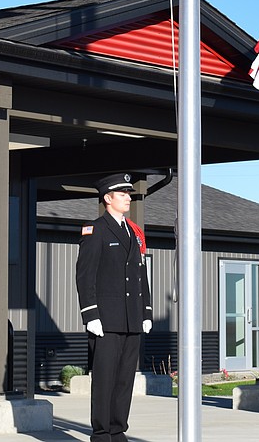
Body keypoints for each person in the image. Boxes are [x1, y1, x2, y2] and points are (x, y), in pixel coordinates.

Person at [75, 173, 153, 442]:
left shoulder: (133, 231)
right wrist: (90, 314)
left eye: (128, 194)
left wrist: (146, 312)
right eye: (123, 194)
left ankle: (118, 431)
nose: (128, 198)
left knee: (124, 381)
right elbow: (85, 276)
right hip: (106, 321)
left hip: (131, 319)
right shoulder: (95, 230)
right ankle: (101, 434)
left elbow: (140, 274)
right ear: (108, 198)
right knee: (105, 380)